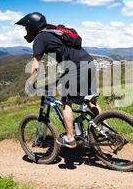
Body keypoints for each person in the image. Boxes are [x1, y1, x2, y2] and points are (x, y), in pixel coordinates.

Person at [15, 12, 102, 148]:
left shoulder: (40, 38)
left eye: (26, 27)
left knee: (66, 102)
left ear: (32, 26)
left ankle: (70, 138)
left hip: (75, 68)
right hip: (89, 62)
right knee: (90, 100)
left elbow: (36, 65)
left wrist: (30, 83)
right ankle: (105, 128)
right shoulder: (54, 31)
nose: (26, 30)